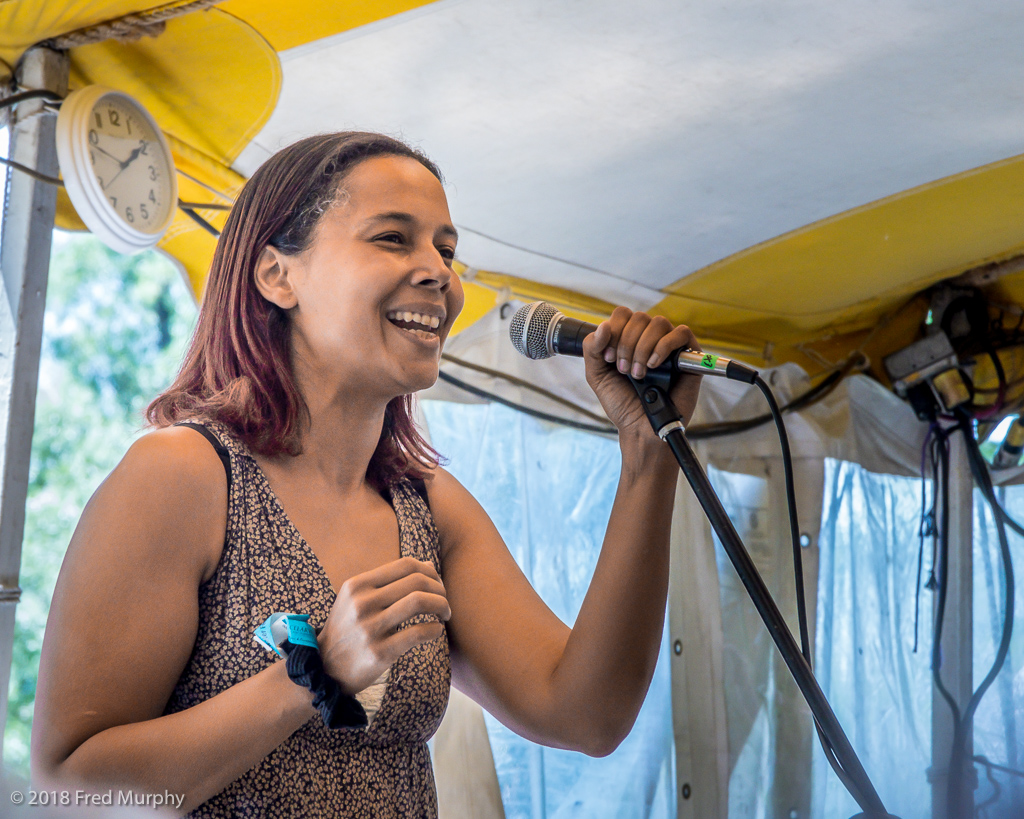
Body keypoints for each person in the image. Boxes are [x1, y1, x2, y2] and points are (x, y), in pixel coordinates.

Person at [31, 132, 701, 817]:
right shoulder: (185, 475)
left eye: (446, 249)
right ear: (276, 275)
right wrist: (313, 676)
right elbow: (68, 784)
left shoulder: (429, 508)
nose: (438, 271)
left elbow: (586, 714)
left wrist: (647, 459)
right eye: (392, 238)